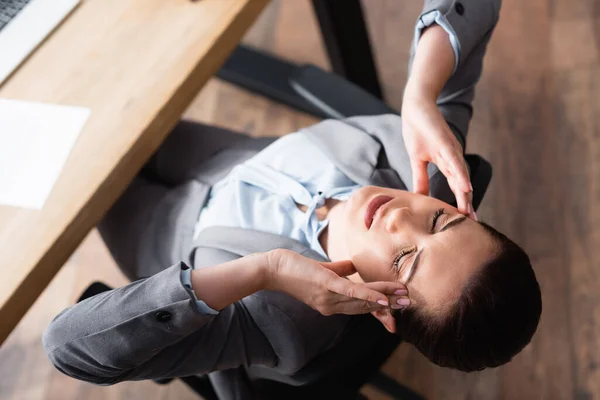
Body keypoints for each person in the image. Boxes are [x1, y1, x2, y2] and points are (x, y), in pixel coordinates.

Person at [42, 0, 542, 396]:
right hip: (222, 156)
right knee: (88, 99)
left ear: (383, 309)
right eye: (440, 223)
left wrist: (265, 271)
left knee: (66, 161)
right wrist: (420, 93)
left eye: (406, 259)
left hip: (160, 232)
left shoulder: (277, 323)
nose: (399, 220)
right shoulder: (425, 158)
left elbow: (67, 348)